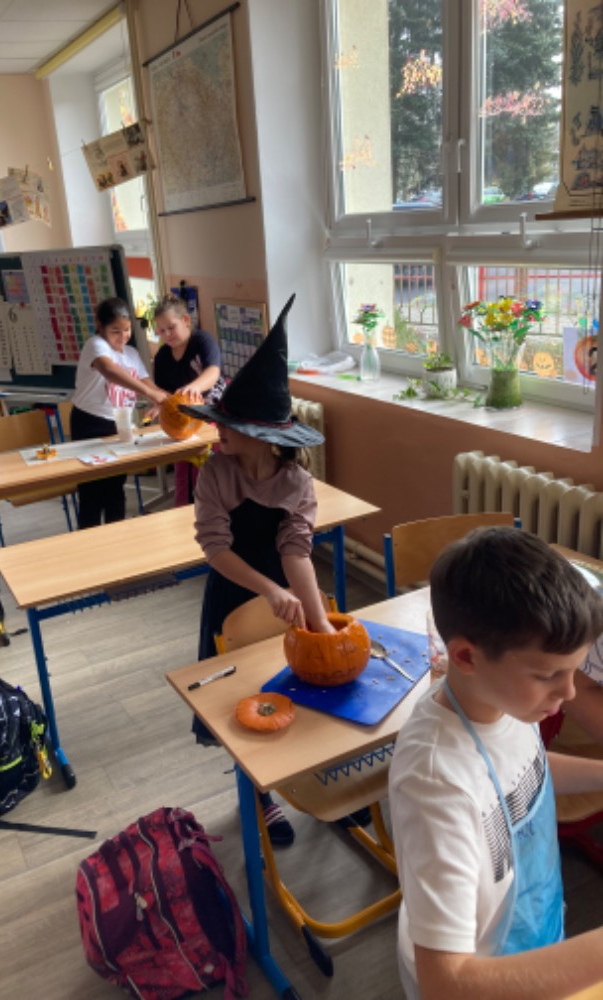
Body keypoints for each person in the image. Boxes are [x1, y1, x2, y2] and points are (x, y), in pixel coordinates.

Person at [389, 526, 603, 1000]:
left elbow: (522, 773)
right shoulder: (435, 783)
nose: (569, 692)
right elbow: (446, 982)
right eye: (549, 674)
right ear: (466, 656)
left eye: (575, 670)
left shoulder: (501, 702)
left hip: (533, 944)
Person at [179, 294, 336, 847]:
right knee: (243, 699)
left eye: (230, 425)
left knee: (295, 684)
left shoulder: (296, 483)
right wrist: (268, 590)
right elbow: (216, 549)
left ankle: (318, 778)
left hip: (284, 592)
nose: (218, 432)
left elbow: (297, 553)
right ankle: (258, 794)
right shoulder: (215, 473)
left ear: (266, 437)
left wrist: (320, 622)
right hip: (235, 590)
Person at [70, 297, 167, 528]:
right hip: (89, 423)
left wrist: (163, 400)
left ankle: (117, 538)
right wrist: (150, 393)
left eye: (127, 330)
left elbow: (146, 382)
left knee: (115, 488)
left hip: (119, 424)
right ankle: (89, 542)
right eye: (115, 331)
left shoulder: (131, 353)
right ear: (100, 326)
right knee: (92, 491)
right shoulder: (95, 345)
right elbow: (109, 370)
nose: (123, 336)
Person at [152, 292, 225, 505]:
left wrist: (194, 387)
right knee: (183, 469)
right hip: (183, 422)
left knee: (209, 471)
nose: (167, 334)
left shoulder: (202, 341)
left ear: (185, 320)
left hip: (214, 416)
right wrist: (160, 406)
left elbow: (213, 372)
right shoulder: (162, 357)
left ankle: (214, 510)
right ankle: (183, 509)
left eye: (171, 327)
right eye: (161, 331)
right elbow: (164, 394)